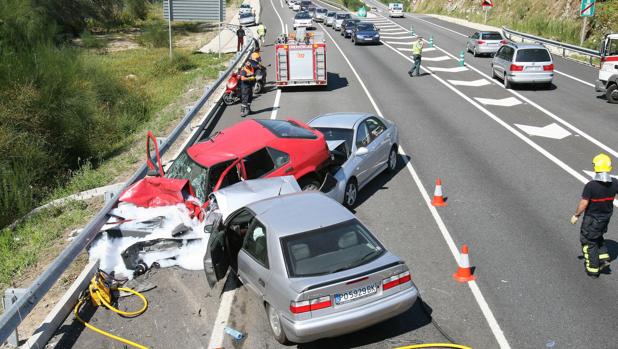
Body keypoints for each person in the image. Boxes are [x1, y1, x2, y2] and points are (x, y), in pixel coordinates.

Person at [570, 153, 616, 278]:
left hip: (592, 219)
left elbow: (584, 203)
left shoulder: (591, 186)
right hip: (606, 217)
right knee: (598, 234)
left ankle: (593, 269)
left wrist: (576, 215)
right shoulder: (615, 183)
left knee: (588, 241)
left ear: (596, 166)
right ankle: (602, 254)